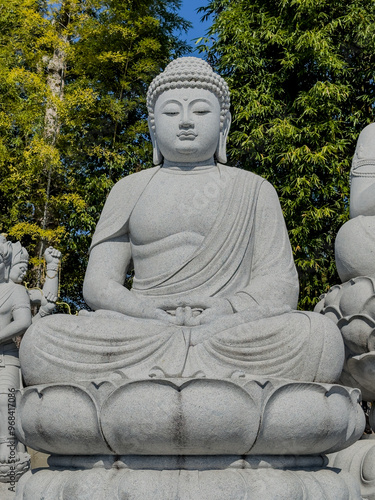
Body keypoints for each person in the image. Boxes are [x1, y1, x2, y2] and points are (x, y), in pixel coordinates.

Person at [20, 57, 345, 386]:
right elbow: (99, 284)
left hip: (227, 330)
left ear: (223, 123)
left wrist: (226, 310)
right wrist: (151, 315)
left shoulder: (254, 189)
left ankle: (155, 375)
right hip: (143, 327)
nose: (186, 122)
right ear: (152, 126)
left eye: (201, 112)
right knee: (42, 339)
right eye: (172, 112)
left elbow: (281, 286)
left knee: (319, 336)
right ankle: (205, 373)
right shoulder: (128, 189)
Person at [0, 237, 31, 463]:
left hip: (6, 357)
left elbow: (23, 321)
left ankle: (8, 444)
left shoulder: (15, 291)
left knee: (5, 398)